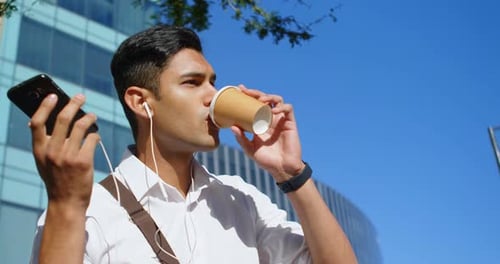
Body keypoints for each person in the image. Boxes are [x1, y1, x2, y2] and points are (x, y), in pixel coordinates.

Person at [29, 25, 357, 263]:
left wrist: (292, 173)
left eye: (212, 81)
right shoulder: (85, 210)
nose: (213, 96)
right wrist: (66, 208)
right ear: (141, 102)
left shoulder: (240, 199)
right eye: (193, 83)